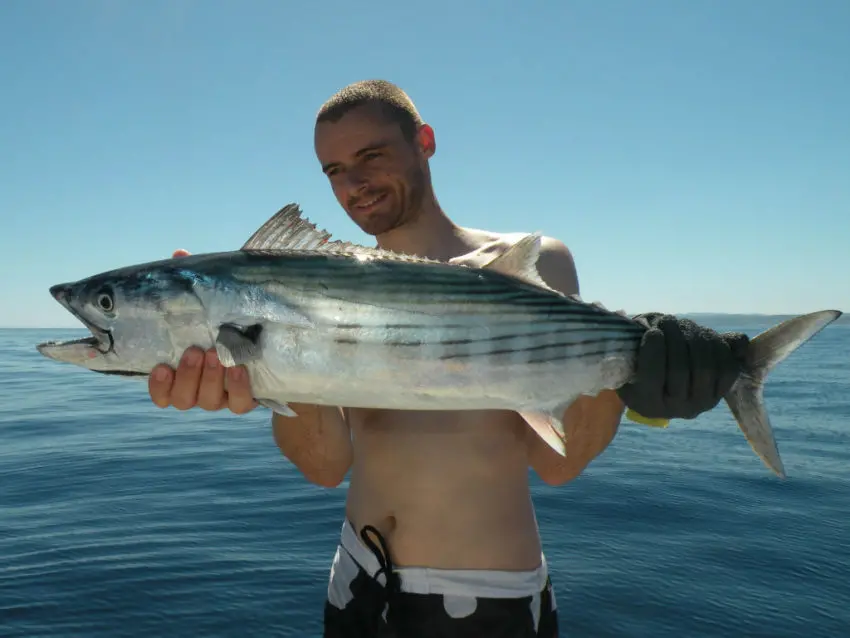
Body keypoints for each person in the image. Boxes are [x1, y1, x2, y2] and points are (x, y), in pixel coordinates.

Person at [147, 80, 749, 637]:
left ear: (425, 142)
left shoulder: (529, 264)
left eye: (371, 156)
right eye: (333, 170)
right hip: (357, 583)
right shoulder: (322, 293)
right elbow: (327, 466)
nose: (353, 182)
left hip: (488, 601)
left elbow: (559, 463)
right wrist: (263, 363)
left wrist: (631, 385)